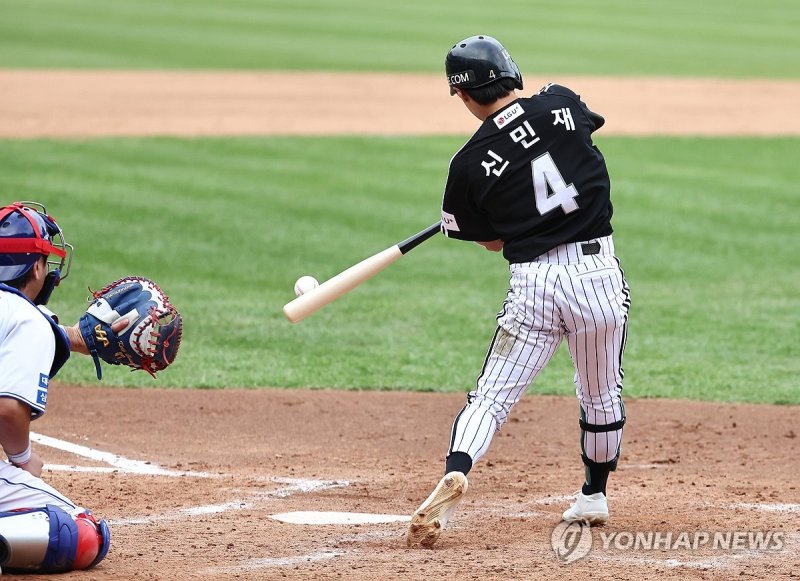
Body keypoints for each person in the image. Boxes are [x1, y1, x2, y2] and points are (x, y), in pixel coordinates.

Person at [407, 36, 631, 548]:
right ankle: (594, 494)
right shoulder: (562, 102)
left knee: (491, 395)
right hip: (597, 279)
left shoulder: (465, 167)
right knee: (599, 393)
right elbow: (576, 139)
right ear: (511, 73)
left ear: (463, 96)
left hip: (533, 284)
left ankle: (458, 467)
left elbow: (490, 240)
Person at [0, 201, 112, 573]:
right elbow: (9, 410)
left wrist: (79, 338)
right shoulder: (26, 321)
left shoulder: (25, 320)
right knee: (82, 533)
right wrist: (21, 458)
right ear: (35, 267)